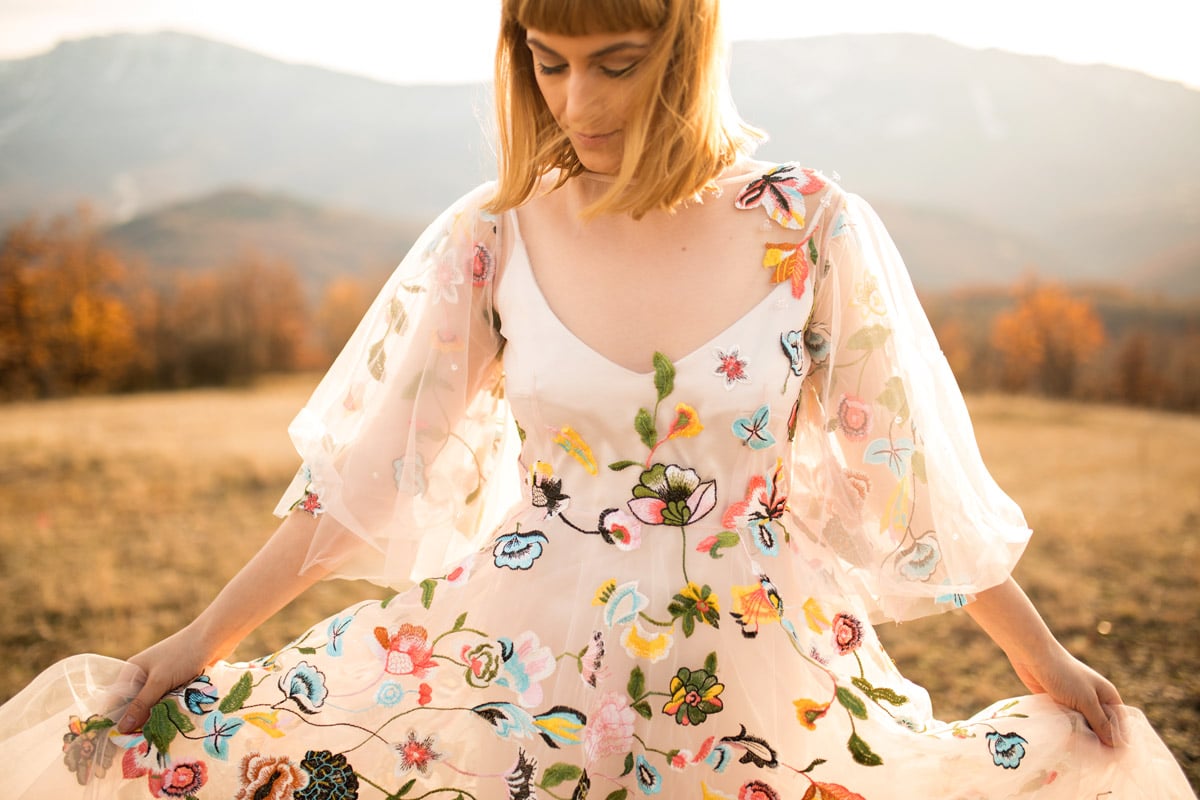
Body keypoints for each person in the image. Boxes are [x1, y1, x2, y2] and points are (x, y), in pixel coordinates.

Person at [1, 1, 1194, 797]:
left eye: (617, 61)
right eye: (549, 59)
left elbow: (906, 478)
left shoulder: (809, 225)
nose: (579, 101)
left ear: (689, 44)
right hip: (518, 676)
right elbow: (357, 493)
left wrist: (1042, 659)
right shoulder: (492, 236)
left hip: (765, 681)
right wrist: (193, 642)